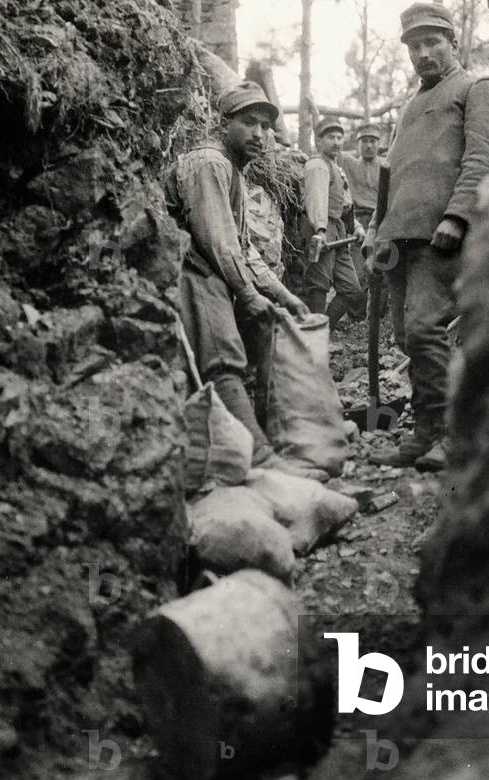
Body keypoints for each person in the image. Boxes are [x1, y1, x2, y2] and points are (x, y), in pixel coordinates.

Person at [363, 1, 489, 471]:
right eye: (414, 45)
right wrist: (374, 232)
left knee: (427, 329)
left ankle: (452, 435)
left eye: (433, 42)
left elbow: (487, 156)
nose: (423, 53)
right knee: (409, 338)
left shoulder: (477, 87)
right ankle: (428, 431)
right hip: (400, 237)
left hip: (442, 233)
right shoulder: (410, 107)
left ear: (453, 43)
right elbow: (390, 177)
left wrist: (459, 215)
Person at [165, 81, 327, 481]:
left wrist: (282, 294)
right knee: (222, 361)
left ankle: (256, 451)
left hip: (211, 272)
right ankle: (259, 459)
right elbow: (218, 243)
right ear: (224, 124)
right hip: (193, 271)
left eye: (267, 126)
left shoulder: (231, 168)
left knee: (234, 357)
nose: (260, 135)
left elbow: (244, 247)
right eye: (249, 123)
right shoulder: (210, 163)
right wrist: (248, 295)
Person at [302, 117, 365, 326]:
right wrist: (320, 230)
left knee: (352, 289)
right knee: (319, 283)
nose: (336, 142)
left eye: (339, 137)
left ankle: (323, 330)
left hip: (338, 230)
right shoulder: (318, 165)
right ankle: (314, 340)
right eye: (331, 137)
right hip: (321, 227)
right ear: (318, 141)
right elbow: (316, 199)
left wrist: (355, 226)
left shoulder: (336, 168)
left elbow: (346, 203)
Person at [339, 124, 388, 319]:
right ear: (358, 144)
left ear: (379, 144)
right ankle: (357, 316)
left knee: (383, 268)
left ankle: (377, 315)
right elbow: (327, 148)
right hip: (358, 220)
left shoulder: (386, 165)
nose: (369, 146)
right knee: (358, 272)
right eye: (364, 141)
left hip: (381, 220)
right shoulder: (349, 163)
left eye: (373, 141)